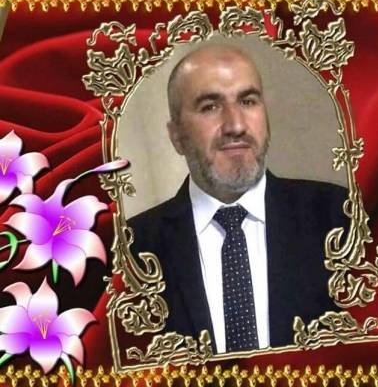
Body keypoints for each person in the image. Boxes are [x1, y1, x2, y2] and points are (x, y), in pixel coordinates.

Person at [128, 45, 348, 354]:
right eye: (210, 106)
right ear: (176, 136)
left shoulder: (342, 217)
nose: (236, 125)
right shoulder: (130, 249)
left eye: (248, 101)